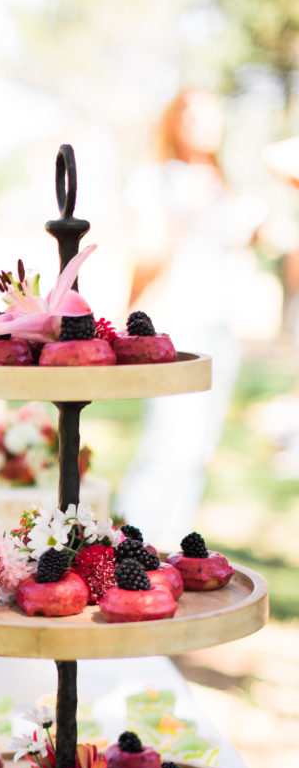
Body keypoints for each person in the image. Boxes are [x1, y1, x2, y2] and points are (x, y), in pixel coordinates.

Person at [115, 89, 262, 549]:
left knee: (199, 451)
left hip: (222, 328)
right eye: (193, 115)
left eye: (212, 113)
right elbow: (149, 252)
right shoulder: (159, 179)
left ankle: (169, 548)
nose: (205, 123)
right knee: (169, 445)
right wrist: (131, 308)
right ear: (174, 123)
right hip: (177, 327)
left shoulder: (226, 184)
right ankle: (126, 543)